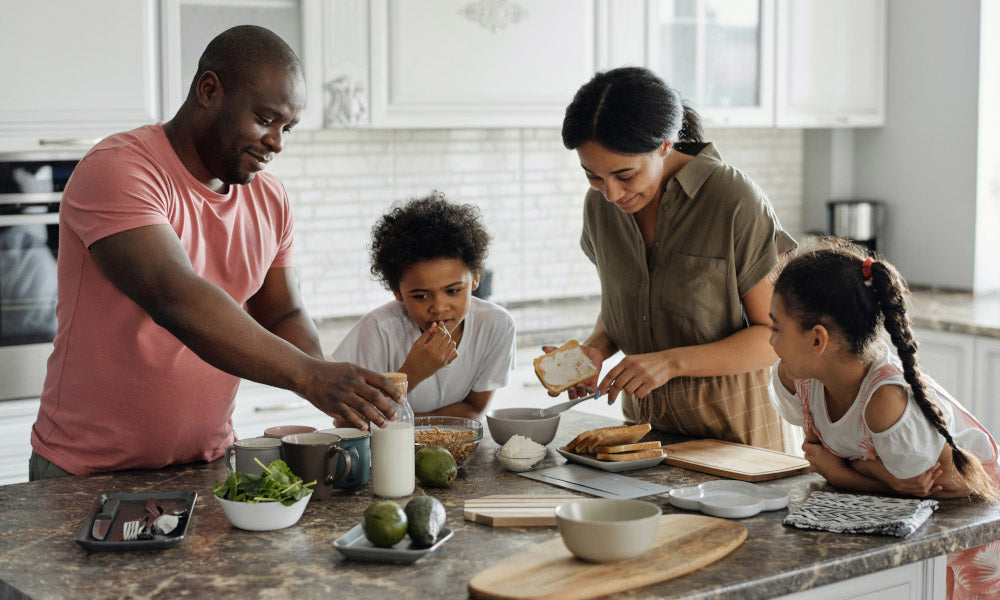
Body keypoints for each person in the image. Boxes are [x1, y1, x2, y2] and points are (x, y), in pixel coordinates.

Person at [29, 25, 401, 479]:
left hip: (207, 464)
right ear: (209, 90)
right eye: (266, 119)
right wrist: (308, 375)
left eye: (288, 128)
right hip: (87, 472)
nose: (277, 142)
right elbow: (175, 296)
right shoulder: (119, 169)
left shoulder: (269, 197)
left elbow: (282, 312)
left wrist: (329, 386)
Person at [556, 66, 796, 450]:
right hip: (645, 440)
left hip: (739, 441)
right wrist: (596, 349)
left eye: (625, 175)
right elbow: (627, 303)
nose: (612, 194)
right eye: (594, 177)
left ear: (665, 145)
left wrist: (670, 363)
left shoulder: (731, 198)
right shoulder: (599, 208)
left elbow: (776, 337)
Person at [768, 239, 1000, 599]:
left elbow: (938, 489)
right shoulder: (799, 378)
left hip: (972, 522)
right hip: (910, 520)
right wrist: (880, 476)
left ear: (817, 340)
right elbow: (831, 458)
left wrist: (843, 473)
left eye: (776, 328)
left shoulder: (885, 401)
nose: (770, 341)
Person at [331, 192, 516, 419]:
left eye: (453, 291)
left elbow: (474, 409)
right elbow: (347, 422)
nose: (438, 307)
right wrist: (413, 372)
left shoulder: (496, 325)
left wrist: (411, 428)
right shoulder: (378, 329)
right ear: (397, 291)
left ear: (476, 277)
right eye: (420, 296)